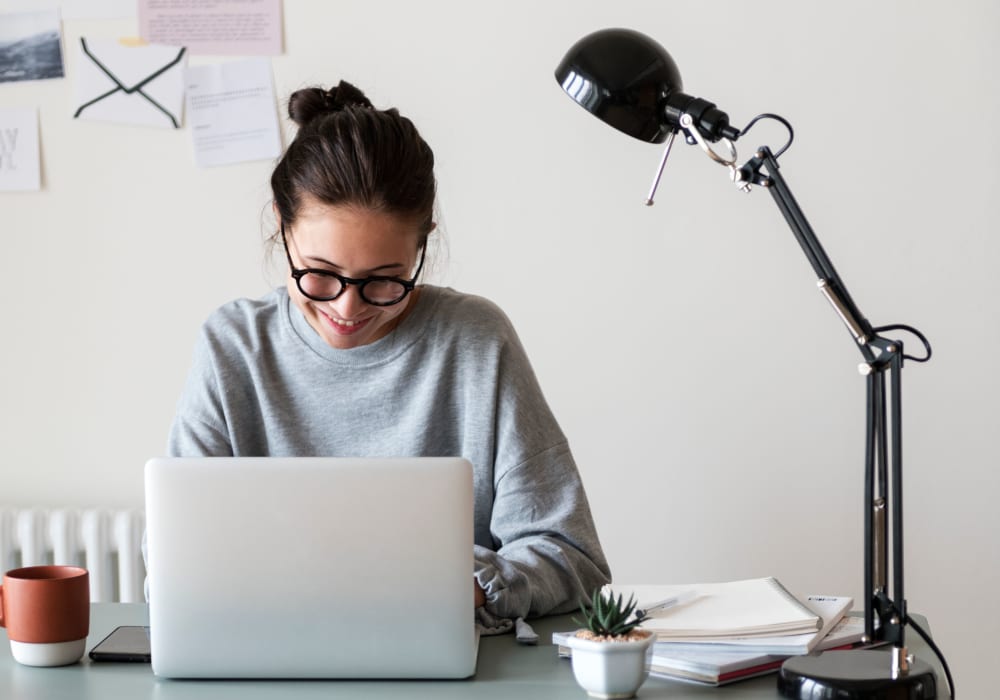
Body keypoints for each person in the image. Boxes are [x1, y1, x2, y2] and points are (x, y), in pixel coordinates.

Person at [165, 80, 611, 627]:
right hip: (264, 652)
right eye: (320, 274)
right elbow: (173, 557)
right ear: (282, 230)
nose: (348, 308)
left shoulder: (476, 341)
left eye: (384, 281)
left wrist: (465, 586)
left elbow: (572, 556)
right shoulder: (232, 346)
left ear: (421, 247)